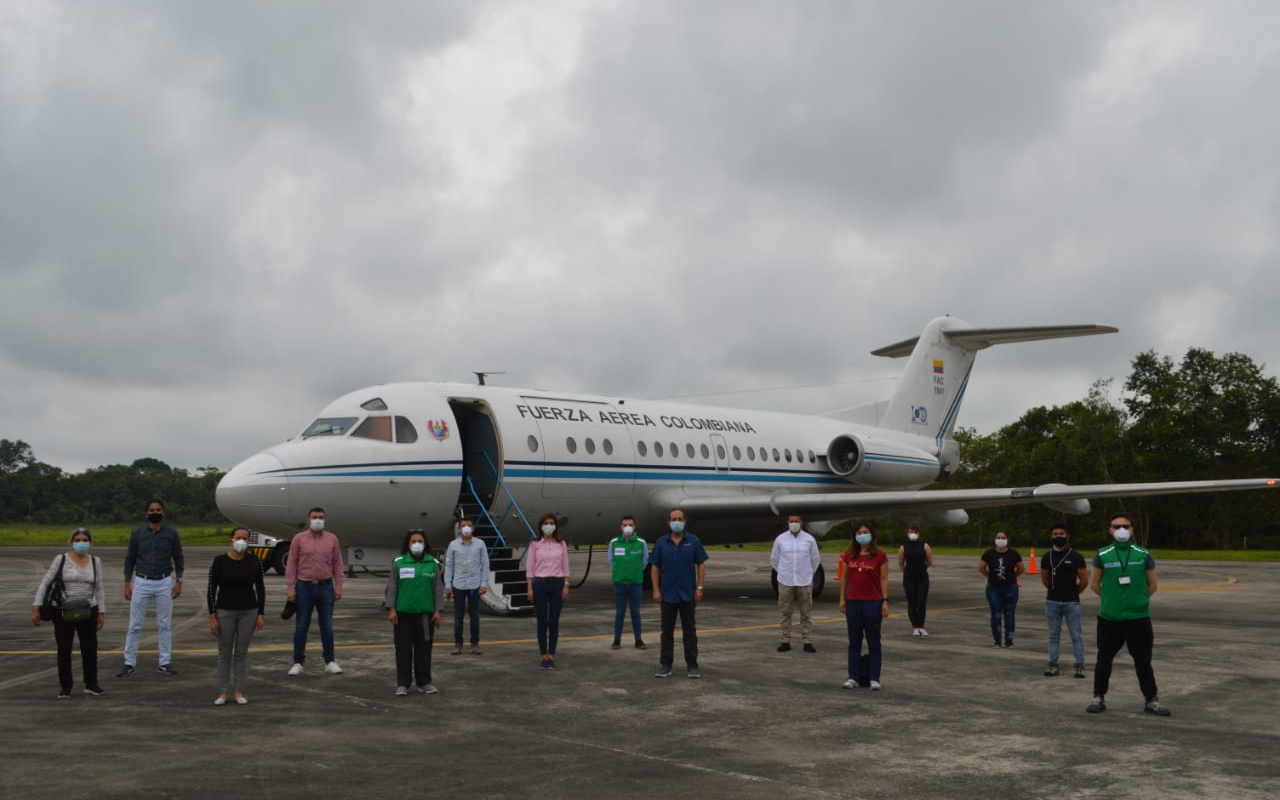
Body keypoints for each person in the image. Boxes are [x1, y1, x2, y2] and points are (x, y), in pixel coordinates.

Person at [1087, 513, 1170, 716]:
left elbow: (1153, 585)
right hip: (1110, 618)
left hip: (1138, 618)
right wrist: (1111, 600)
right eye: (1116, 526)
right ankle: (1098, 697)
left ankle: (1151, 699)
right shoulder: (1102, 554)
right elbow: (1094, 584)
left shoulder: (1143, 554)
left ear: (1132, 529)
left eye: (1125, 526)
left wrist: (1139, 600)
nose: (1121, 530)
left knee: (1143, 661)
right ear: (1110, 530)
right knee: (1104, 659)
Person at [31, 528, 106, 698]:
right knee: (64, 648)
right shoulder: (61, 559)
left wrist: (101, 611)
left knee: (90, 647)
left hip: (88, 609)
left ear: (90, 542)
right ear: (71, 542)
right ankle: (66, 686)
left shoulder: (95, 561)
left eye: (85, 540)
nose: (81, 543)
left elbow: (99, 588)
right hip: (63, 610)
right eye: (77, 540)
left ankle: (91, 684)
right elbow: (45, 583)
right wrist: (36, 606)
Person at [119, 499, 184, 677]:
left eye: (158, 510)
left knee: (164, 625)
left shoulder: (171, 533)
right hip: (142, 581)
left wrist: (179, 581)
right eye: (152, 510)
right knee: (135, 625)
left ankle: (165, 662)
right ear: (146, 513)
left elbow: (178, 557)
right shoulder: (137, 533)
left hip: (164, 581)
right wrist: (127, 583)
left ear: (163, 513)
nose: (155, 512)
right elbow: (130, 559)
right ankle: (129, 662)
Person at [207, 527, 266, 705]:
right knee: (224, 653)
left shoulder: (254, 561)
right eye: (238, 537)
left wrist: (261, 613)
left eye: (245, 538)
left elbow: (260, 589)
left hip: (249, 612)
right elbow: (211, 589)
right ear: (231, 540)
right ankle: (223, 692)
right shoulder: (219, 562)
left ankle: (239, 691)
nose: (241, 541)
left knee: (241, 654)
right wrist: (212, 616)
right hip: (225, 611)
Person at [649, 508, 709, 679]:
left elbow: (701, 564)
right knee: (666, 632)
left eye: (679, 519)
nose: (677, 522)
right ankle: (666, 665)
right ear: (668, 522)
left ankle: (692, 665)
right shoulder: (661, 542)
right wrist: (656, 590)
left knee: (690, 632)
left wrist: (700, 588)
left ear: (685, 521)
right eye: (674, 519)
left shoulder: (693, 541)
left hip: (688, 595)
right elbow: (655, 567)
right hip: (668, 595)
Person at [285, 507, 345, 676]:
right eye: (314, 517)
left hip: (325, 586)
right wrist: (291, 589)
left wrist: (338, 587)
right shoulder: (299, 539)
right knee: (301, 626)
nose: (318, 520)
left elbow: (338, 564)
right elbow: (291, 564)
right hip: (304, 586)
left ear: (324, 519)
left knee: (327, 626)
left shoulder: (332, 539)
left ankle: (330, 661)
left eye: (321, 517)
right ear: (308, 519)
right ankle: (298, 662)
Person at [386, 529, 444, 696]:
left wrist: (438, 610)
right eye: (413, 541)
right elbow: (392, 587)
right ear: (408, 544)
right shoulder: (399, 563)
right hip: (403, 615)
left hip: (425, 616)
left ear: (425, 544)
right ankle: (403, 684)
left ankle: (424, 682)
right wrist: (391, 608)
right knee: (403, 650)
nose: (417, 544)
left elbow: (437, 589)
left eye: (420, 541)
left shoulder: (432, 564)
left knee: (423, 650)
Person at [839, 523, 889, 690]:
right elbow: (844, 578)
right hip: (853, 602)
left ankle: (874, 678)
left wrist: (885, 600)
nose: (862, 535)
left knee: (874, 641)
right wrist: (842, 599)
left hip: (872, 602)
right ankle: (853, 676)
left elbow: (883, 579)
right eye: (859, 532)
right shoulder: (849, 555)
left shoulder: (880, 556)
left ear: (872, 535)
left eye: (865, 532)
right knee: (854, 642)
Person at [1040, 522, 1087, 679]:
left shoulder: (1076, 557)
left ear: (1068, 536)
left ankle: (1079, 665)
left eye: (1061, 534)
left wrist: (1073, 593)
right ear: (1050, 537)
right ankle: (1053, 664)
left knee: (1076, 635)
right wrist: (1055, 591)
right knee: (1053, 635)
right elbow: (1045, 579)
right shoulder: (1046, 557)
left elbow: (1084, 580)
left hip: (1071, 603)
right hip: (1052, 602)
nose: (1058, 536)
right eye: (1055, 534)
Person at [770, 513, 821, 652]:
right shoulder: (780, 539)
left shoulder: (809, 539)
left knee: (806, 612)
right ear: (787, 523)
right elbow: (774, 559)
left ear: (801, 523)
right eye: (791, 521)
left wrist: (808, 573)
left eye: (796, 521)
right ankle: (785, 640)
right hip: (785, 581)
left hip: (804, 581)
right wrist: (783, 572)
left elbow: (815, 559)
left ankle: (807, 640)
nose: (794, 524)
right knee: (785, 612)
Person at [525, 512, 570, 670]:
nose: (549, 526)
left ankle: (552, 655)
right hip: (540, 584)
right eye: (546, 523)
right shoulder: (535, 544)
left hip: (557, 583)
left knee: (554, 621)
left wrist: (566, 585)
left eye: (551, 523)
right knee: (542, 622)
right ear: (541, 526)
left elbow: (565, 566)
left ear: (555, 526)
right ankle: (544, 655)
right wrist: (529, 588)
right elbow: (530, 567)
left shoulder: (561, 544)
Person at [444, 517, 489, 656]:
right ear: (459, 529)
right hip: (458, 585)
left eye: (469, 525)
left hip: (474, 585)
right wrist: (448, 585)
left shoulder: (480, 544)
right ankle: (458, 644)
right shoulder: (453, 545)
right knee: (458, 616)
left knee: (474, 616)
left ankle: (475, 644)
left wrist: (484, 583)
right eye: (463, 525)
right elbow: (449, 565)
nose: (466, 528)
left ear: (473, 528)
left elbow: (485, 564)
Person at [608, 515, 648, 650]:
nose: (627, 528)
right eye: (625, 525)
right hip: (619, 584)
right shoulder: (614, 542)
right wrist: (621, 572)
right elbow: (611, 561)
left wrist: (634, 572)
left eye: (630, 525)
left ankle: (638, 640)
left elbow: (644, 561)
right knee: (620, 612)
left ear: (634, 526)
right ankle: (616, 640)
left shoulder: (641, 543)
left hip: (636, 583)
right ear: (621, 527)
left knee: (635, 612)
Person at [979, 531, 1023, 647]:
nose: (1001, 539)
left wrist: (1012, 577)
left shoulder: (1013, 553)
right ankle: (997, 641)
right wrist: (991, 576)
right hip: (994, 588)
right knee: (996, 614)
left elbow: (1021, 568)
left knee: (1009, 615)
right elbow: (981, 567)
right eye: (999, 537)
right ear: (995, 539)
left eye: (1003, 537)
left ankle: (1009, 641)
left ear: (1007, 539)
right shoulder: (989, 553)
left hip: (1010, 588)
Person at [897, 521, 933, 636]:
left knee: (921, 602)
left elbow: (929, 561)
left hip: (922, 578)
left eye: (915, 532)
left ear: (919, 533)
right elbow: (901, 563)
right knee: (912, 602)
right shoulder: (903, 547)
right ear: (907, 533)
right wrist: (907, 572)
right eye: (911, 531)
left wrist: (921, 568)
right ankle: (915, 626)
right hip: (909, 578)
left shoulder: (925, 546)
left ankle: (922, 626)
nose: (913, 533)